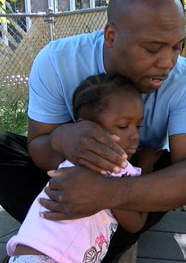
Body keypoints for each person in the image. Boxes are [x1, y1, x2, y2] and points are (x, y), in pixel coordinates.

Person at [0, 0, 186, 261]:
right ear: (111, 36)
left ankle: (71, 239)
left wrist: (107, 193)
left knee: (165, 164)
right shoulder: (56, 61)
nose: (167, 62)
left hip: (131, 191)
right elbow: (38, 148)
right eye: (153, 48)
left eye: (177, 47)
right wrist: (61, 139)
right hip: (63, 181)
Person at [7, 73, 149, 263]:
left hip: (27, 252)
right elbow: (135, 222)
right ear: (86, 128)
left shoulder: (70, 159)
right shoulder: (117, 169)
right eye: (123, 126)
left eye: (138, 126)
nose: (134, 135)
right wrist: (148, 164)